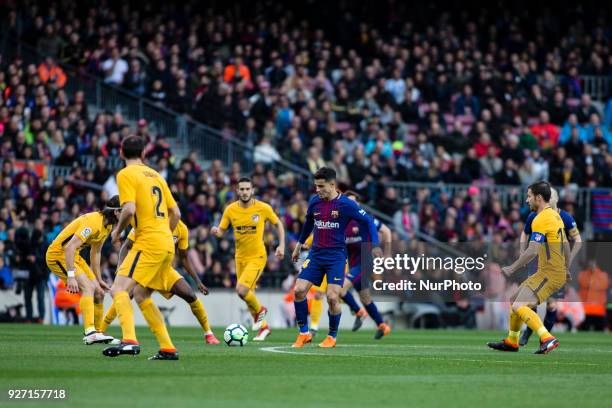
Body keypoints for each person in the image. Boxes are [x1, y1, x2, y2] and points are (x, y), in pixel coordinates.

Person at [102, 136, 181, 360]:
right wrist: (165, 233)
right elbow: (176, 213)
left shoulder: (126, 174)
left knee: (118, 289)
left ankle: (129, 341)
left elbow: (128, 209)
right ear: (144, 153)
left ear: (120, 152)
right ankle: (167, 348)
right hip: (165, 242)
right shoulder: (156, 175)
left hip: (148, 242)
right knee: (141, 294)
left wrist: (117, 232)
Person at [290, 167, 382, 348]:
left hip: (336, 256)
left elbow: (369, 221)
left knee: (332, 297)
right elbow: (308, 223)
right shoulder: (314, 201)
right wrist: (299, 245)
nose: (317, 190)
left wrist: (375, 244)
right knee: (299, 290)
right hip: (316, 254)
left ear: (332, 185)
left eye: (321, 186)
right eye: (316, 186)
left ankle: (331, 337)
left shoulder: (347, 204)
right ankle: (303, 333)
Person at [99, 219, 219, 344]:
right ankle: (101, 330)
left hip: (165, 270)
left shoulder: (182, 229)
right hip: (146, 266)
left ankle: (208, 334)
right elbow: (126, 246)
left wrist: (198, 281)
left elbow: (183, 258)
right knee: (126, 294)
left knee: (190, 295)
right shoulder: (149, 221)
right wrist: (121, 268)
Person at [488, 181, 570, 354]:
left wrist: (512, 267)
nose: (527, 200)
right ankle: (512, 341)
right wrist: (567, 267)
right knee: (514, 299)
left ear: (539, 198)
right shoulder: (555, 216)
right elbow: (567, 245)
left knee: (519, 305)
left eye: (529, 196)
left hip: (550, 273)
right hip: (550, 272)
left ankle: (547, 338)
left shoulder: (541, 219)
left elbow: (532, 250)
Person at [211, 177, 285, 341]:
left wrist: (282, 246)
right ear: (237, 191)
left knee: (241, 290)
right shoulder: (230, 209)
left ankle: (261, 311)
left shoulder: (263, 208)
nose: (244, 192)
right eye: (241, 189)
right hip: (240, 258)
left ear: (252, 190)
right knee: (246, 294)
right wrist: (217, 231)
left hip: (257, 256)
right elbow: (222, 230)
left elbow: (278, 223)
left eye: (247, 189)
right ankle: (264, 327)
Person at [45, 196, 121, 344]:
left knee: (99, 292)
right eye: (126, 212)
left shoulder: (108, 226)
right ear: (117, 212)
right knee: (88, 288)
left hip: (75, 256)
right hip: (58, 255)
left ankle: (98, 333)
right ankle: (89, 331)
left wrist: (98, 279)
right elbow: (70, 247)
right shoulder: (93, 223)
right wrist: (71, 276)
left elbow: (96, 252)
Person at [519, 188, 582, 346]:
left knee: (552, 303)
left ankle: (544, 339)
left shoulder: (564, 217)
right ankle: (529, 330)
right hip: (537, 261)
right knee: (529, 300)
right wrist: (522, 253)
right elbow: (524, 233)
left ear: (555, 199)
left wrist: (568, 262)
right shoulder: (534, 215)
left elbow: (577, 239)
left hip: (555, 264)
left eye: (551, 197)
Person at [341, 190, 392, 339]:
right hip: (354, 265)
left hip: (366, 262)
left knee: (340, 288)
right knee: (365, 298)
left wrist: (387, 253)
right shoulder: (343, 223)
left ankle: (358, 312)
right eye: (349, 202)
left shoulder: (364, 219)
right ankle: (382, 325)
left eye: (354, 202)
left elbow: (386, 231)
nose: (352, 204)